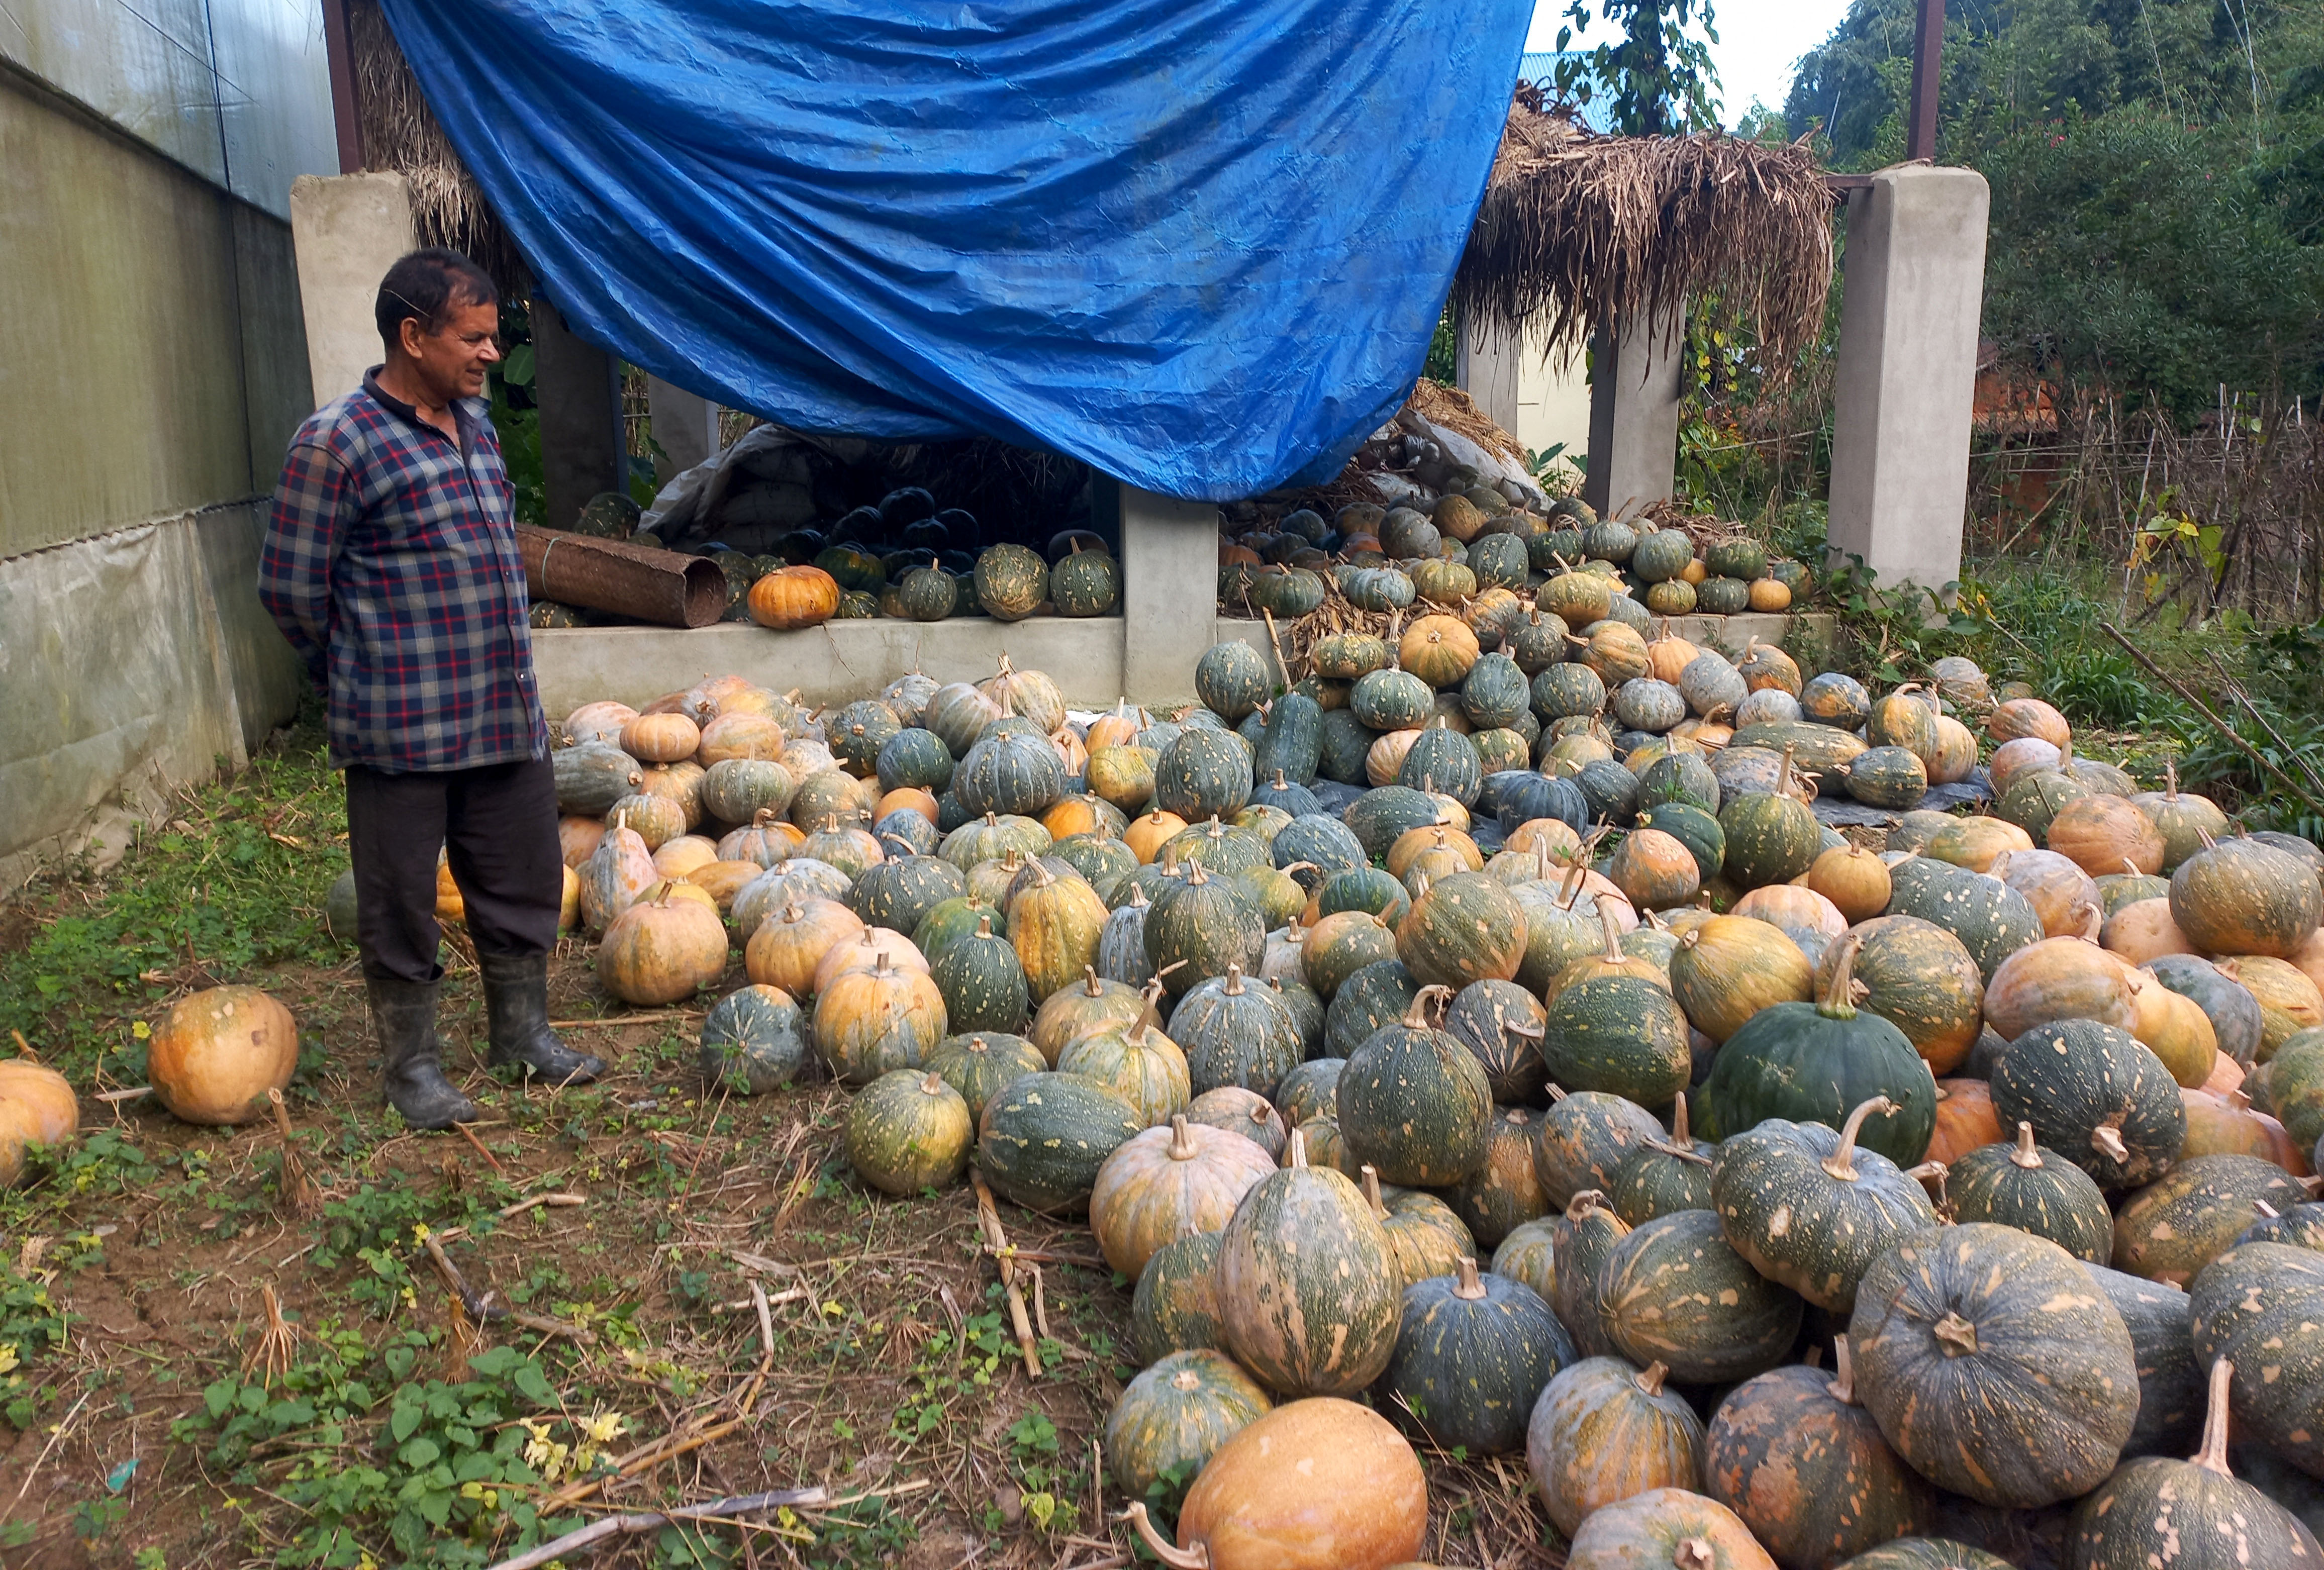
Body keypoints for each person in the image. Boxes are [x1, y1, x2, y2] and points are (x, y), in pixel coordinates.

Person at [259, 247, 602, 1129]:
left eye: (495, 338)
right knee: (401, 897)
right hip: (402, 728)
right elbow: (292, 591)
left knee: (522, 880)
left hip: (501, 709)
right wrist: (364, 671)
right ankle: (412, 1070)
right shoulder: (337, 443)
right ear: (412, 336)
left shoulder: (477, 427)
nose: (492, 354)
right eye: (475, 338)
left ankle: (522, 1035)